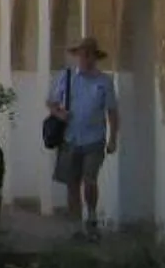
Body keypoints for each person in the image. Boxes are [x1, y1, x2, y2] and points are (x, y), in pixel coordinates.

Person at [48, 36, 119, 236]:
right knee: (72, 183)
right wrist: (60, 113)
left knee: (90, 179)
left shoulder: (104, 82)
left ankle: (92, 215)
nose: (86, 58)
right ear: (77, 56)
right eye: (82, 54)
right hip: (70, 138)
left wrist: (113, 138)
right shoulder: (67, 77)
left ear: (95, 57)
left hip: (94, 139)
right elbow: (52, 102)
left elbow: (112, 111)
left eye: (89, 54)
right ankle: (76, 225)